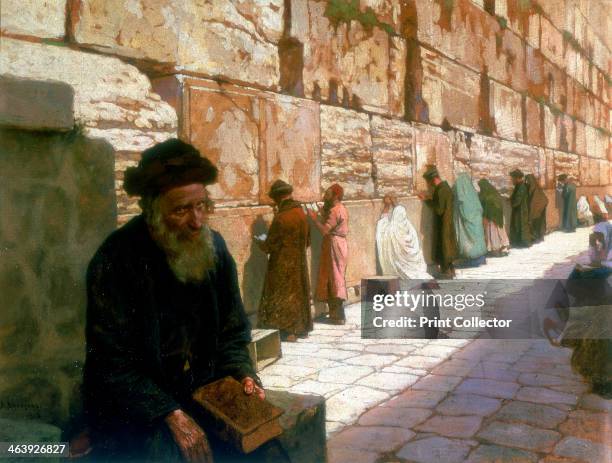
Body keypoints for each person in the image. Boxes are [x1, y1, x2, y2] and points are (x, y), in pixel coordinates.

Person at [83, 139, 280, 463]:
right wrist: (168, 412)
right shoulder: (115, 259)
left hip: (204, 395)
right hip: (142, 409)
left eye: (201, 206)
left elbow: (232, 331)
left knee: (270, 455)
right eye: (181, 210)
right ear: (152, 210)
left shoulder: (213, 247)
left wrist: (243, 373)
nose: (196, 221)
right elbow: (111, 365)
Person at [257, 180, 312, 341]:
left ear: (278, 198)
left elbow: (269, 245)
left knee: (283, 294)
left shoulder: (281, 217)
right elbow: (307, 241)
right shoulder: (301, 213)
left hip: (282, 262)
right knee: (298, 294)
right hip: (299, 261)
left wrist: (259, 240)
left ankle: (287, 331)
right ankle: (300, 329)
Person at [308, 184, 349, 324]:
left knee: (334, 278)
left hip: (334, 244)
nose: (325, 196)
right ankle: (336, 315)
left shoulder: (335, 210)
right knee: (336, 277)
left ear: (335, 196)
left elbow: (325, 230)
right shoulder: (341, 208)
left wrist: (314, 219)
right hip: (339, 244)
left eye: (328, 194)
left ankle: (337, 315)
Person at [375, 193, 431, 279]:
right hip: (412, 266)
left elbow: (383, 224)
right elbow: (400, 211)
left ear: (394, 216)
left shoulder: (392, 231)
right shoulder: (410, 230)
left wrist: (387, 205)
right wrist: (395, 204)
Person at [417, 165, 458, 279]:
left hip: (442, 224)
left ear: (433, 179)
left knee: (443, 247)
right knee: (447, 247)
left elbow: (439, 209)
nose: (428, 185)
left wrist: (426, 200)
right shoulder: (446, 188)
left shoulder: (441, 190)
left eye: (428, 182)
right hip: (448, 222)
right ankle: (451, 270)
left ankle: (446, 273)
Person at [452, 173, 487, 267]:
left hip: (468, 222)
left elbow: (464, 211)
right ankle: (480, 258)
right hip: (476, 220)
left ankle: (472, 260)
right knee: (478, 239)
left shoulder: (463, 198)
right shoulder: (472, 194)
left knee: (469, 240)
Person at [477, 178, 510, 256]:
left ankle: (495, 249)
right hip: (498, 216)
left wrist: (485, 217)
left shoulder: (486, 195)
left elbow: (486, 208)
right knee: (500, 233)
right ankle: (503, 248)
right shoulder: (494, 192)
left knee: (493, 233)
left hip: (492, 218)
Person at [509, 169, 532, 248]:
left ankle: (524, 243)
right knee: (518, 225)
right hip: (519, 210)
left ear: (517, 178)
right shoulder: (519, 186)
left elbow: (517, 200)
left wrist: (512, 202)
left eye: (512, 178)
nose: (512, 180)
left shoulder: (521, 187)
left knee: (521, 225)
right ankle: (520, 242)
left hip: (521, 210)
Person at [525, 174, 548, 243]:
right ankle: (539, 237)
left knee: (536, 224)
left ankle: (536, 238)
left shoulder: (533, 188)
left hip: (537, 210)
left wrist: (533, 211)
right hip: (539, 209)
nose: (526, 182)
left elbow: (534, 201)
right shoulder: (536, 187)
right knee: (538, 224)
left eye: (527, 180)